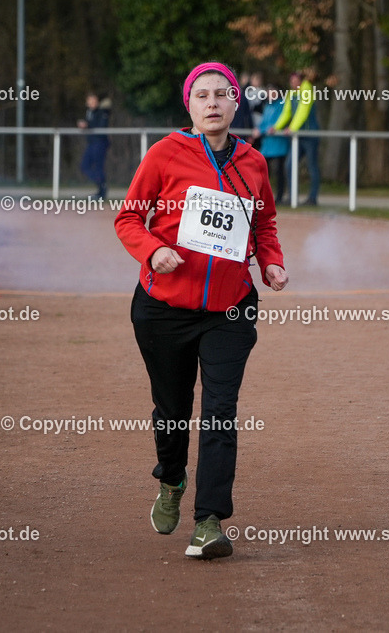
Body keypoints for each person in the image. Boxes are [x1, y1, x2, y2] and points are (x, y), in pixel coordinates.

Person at [114, 62, 288, 560]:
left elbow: (265, 224)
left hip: (229, 310)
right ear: (189, 106)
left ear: (237, 104)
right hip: (163, 307)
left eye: (222, 94)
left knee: (220, 413)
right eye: (202, 95)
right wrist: (152, 251)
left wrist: (271, 264)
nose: (212, 102)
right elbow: (129, 217)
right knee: (172, 412)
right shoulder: (165, 154)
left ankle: (209, 521)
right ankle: (171, 479)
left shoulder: (253, 163)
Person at [275, 70, 321, 206]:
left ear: (301, 81)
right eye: (292, 81)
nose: (293, 83)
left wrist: (292, 128)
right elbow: (287, 113)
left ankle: (312, 198)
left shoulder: (307, 91)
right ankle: (292, 197)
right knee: (289, 165)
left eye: (295, 81)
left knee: (312, 166)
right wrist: (276, 127)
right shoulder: (291, 94)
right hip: (297, 137)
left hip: (310, 135)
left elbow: (303, 111)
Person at [258, 84, 289, 204]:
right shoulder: (267, 106)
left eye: (273, 92)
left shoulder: (281, 104)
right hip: (268, 144)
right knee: (264, 171)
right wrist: (259, 129)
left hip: (279, 143)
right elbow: (264, 121)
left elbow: (275, 122)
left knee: (280, 171)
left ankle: (280, 197)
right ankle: (264, 196)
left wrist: (262, 130)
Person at [77, 92, 111, 199]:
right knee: (84, 166)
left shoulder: (102, 112)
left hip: (100, 142)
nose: (92, 103)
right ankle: (101, 185)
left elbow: (102, 126)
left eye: (94, 101)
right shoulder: (89, 112)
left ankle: (102, 191)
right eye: (90, 101)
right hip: (92, 143)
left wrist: (87, 125)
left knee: (98, 167)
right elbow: (88, 123)